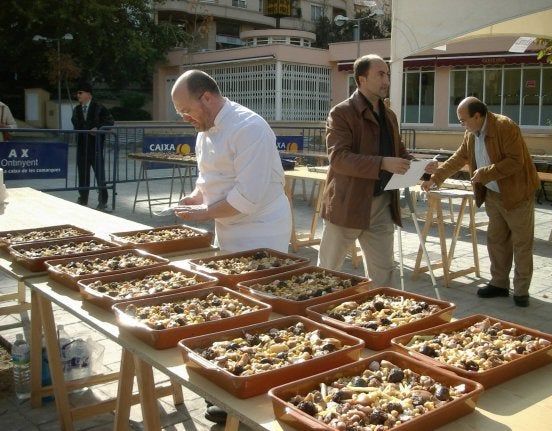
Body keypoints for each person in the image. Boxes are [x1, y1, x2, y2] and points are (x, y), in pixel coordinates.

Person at [170, 69, 292, 423]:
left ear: (206, 97)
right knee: (235, 312)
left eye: (186, 110)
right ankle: (232, 389)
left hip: (260, 229)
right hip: (228, 230)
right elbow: (207, 181)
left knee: (262, 314)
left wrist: (204, 213)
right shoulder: (204, 131)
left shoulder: (249, 127)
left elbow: (247, 197)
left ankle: (258, 395)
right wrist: (192, 201)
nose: (185, 118)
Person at [318, 54, 436, 288]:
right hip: (347, 205)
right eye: (380, 75)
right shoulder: (341, 113)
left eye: (388, 75)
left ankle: (379, 319)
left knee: (383, 274)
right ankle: (314, 318)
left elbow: (399, 153)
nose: (386, 81)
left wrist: (422, 168)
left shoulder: (389, 115)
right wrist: (382, 163)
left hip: (382, 204)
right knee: (327, 273)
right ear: (361, 79)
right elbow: (339, 159)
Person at [421, 96, 540, 307]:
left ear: (478, 116)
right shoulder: (471, 133)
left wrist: (485, 173)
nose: (461, 125)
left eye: (463, 120)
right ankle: (499, 284)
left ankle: (521, 291)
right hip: (493, 194)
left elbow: (516, 161)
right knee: (497, 241)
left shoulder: (505, 126)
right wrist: (435, 179)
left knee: (521, 243)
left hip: (517, 194)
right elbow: (459, 158)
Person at [71, 82, 114, 210]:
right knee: (83, 174)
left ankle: (103, 200)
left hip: (95, 147)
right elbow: (75, 122)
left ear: (89, 94)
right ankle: (83, 198)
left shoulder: (99, 107)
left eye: (81, 92)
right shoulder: (77, 109)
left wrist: (98, 128)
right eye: (77, 93)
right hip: (82, 147)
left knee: (99, 175)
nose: (78, 95)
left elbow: (110, 121)